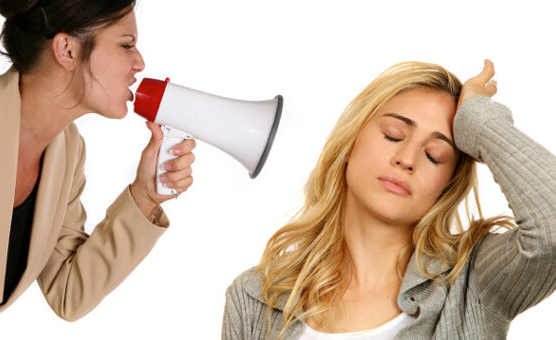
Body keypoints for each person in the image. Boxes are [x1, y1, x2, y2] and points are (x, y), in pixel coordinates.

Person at [222, 60, 556, 339]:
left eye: (434, 154)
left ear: (447, 184)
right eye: (393, 134)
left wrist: (481, 124)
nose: (407, 158)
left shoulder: (475, 281)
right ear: (350, 142)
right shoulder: (255, 297)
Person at [0, 0, 196, 339]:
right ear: (67, 50)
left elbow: (69, 292)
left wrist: (145, 196)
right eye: (126, 44)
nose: (139, 63)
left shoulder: (68, 153)